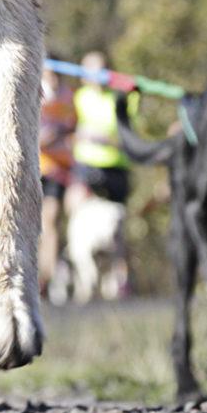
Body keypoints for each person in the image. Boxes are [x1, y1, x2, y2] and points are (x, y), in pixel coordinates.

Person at [67, 52, 139, 296]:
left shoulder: (120, 99)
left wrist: (104, 139)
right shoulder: (79, 97)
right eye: (89, 71)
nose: (94, 77)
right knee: (74, 207)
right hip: (86, 165)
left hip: (116, 166)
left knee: (118, 228)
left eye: (100, 71)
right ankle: (79, 272)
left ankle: (120, 278)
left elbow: (128, 136)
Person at [38, 69, 78, 303]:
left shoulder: (68, 97)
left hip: (58, 169)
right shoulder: (31, 90)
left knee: (50, 221)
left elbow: (72, 126)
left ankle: (47, 279)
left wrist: (57, 134)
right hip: (32, 168)